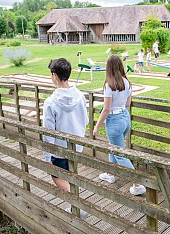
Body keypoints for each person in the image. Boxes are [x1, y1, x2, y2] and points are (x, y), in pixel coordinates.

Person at [93, 55, 146, 196]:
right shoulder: (127, 82)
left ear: (108, 67)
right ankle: (110, 174)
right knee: (114, 147)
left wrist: (97, 126)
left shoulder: (108, 85)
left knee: (120, 153)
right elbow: (127, 103)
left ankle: (138, 184)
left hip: (114, 121)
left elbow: (106, 109)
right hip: (125, 118)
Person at [43, 58, 89, 218]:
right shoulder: (81, 96)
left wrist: (47, 155)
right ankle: (75, 205)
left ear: (54, 75)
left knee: (56, 175)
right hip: (77, 145)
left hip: (60, 148)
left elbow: (48, 131)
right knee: (72, 173)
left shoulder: (50, 102)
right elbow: (86, 120)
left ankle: (78, 204)